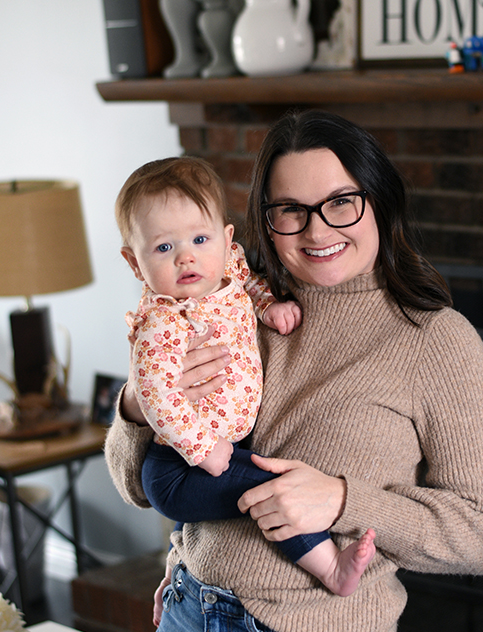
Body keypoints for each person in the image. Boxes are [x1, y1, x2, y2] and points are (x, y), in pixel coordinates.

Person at [105, 110, 483, 632]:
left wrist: (342, 500)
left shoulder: (436, 343)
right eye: (290, 210)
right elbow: (134, 485)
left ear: (381, 201)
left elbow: (481, 535)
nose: (317, 232)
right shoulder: (228, 309)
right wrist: (137, 405)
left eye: (342, 201)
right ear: (260, 225)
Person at [117, 155, 377, 599]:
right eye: (163, 248)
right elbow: (157, 398)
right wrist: (199, 447)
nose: (186, 257)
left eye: (201, 238)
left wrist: (268, 305)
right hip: (180, 466)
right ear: (135, 263)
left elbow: (248, 283)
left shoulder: (228, 271)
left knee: (256, 488)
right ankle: (329, 566)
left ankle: (174, 565)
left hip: (222, 449)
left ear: (226, 238)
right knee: (270, 489)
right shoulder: (163, 321)